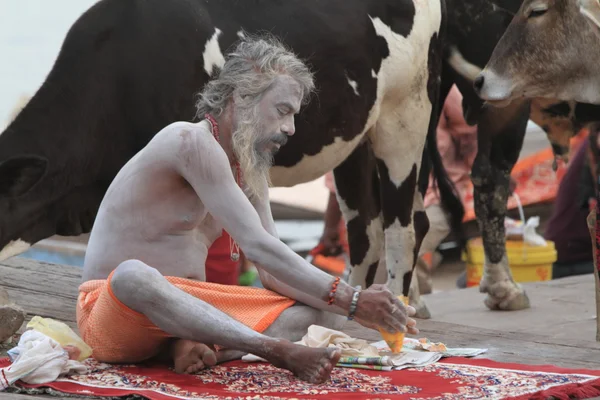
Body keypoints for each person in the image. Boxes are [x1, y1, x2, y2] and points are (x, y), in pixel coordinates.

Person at [76, 34, 417, 384]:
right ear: (241, 98)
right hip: (114, 315)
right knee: (134, 275)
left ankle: (196, 346)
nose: (291, 128)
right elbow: (256, 245)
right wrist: (355, 298)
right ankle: (274, 349)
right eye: (282, 111)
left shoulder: (249, 168)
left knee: (324, 313)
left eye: (294, 115)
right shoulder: (189, 142)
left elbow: (272, 273)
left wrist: (359, 308)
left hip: (187, 318)